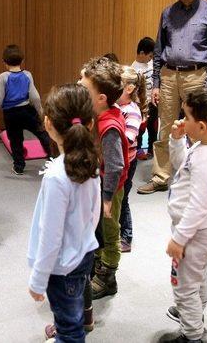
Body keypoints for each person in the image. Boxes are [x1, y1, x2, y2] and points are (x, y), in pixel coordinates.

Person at [138, 0, 207, 195]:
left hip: (197, 75)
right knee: (165, 128)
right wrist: (155, 83)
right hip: (168, 75)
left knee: (198, 127)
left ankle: (197, 176)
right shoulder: (167, 12)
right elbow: (158, 50)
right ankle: (161, 176)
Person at [28, 83, 101, 343]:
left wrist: (37, 280)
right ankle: (66, 326)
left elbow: (51, 236)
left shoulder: (57, 176)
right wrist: (81, 241)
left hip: (62, 268)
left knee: (70, 329)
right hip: (83, 253)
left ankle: (67, 331)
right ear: (90, 124)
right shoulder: (90, 161)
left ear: (48, 124)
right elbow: (94, 214)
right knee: (72, 309)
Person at [164, 89, 207, 343]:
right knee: (196, 276)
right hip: (200, 230)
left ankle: (192, 334)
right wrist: (176, 140)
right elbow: (183, 168)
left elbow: (198, 205)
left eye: (187, 117)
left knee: (183, 286)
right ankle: (194, 311)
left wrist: (179, 239)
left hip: (194, 232)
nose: (183, 120)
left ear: (201, 126)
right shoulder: (206, 147)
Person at [79, 56, 129, 303]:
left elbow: (116, 164)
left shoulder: (109, 125)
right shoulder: (99, 114)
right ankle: (97, 264)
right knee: (98, 226)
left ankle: (108, 277)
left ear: (101, 99)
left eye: (84, 86)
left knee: (110, 231)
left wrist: (108, 197)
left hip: (111, 188)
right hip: (100, 184)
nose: (79, 85)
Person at [0, 44, 51, 175]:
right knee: (42, 133)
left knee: (16, 140)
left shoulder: (3, 77)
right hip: (28, 111)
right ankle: (52, 159)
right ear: (22, 61)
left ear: (4, 62)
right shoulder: (27, 75)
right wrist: (41, 113)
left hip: (11, 114)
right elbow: (35, 97)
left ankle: (19, 166)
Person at [118, 66, 146, 253]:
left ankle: (126, 237)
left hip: (127, 161)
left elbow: (129, 137)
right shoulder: (116, 106)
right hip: (114, 160)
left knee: (123, 198)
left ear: (129, 88)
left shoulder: (132, 110)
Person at [131, 36, 157, 160]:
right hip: (140, 104)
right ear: (141, 53)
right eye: (150, 56)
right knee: (140, 128)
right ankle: (138, 149)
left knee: (153, 127)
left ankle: (152, 149)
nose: (151, 59)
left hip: (153, 102)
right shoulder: (134, 68)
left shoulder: (151, 64)